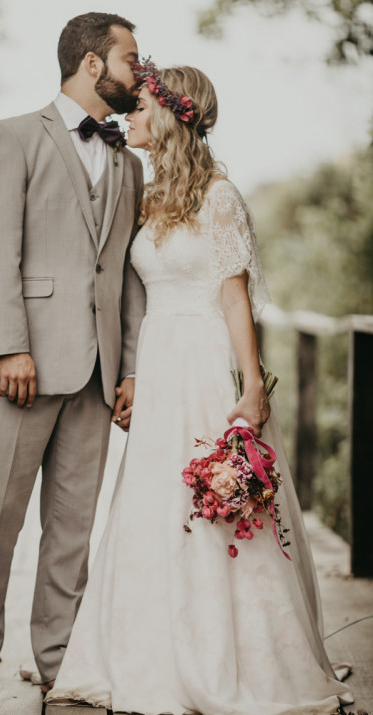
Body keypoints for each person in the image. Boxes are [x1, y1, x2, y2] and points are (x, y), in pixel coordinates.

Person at [47, 63, 354, 714]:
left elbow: (234, 295)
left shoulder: (218, 194)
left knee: (216, 504)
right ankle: (144, 650)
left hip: (205, 362)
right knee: (152, 502)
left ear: (171, 114)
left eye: (138, 108)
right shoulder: (151, 191)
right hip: (158, 364)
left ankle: (229, 656)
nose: (128, 116)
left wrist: (251, 387)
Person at [0, 13, 146, 702]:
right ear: (92, 63)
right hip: (15, 368)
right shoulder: (13, 136)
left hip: (95, 371)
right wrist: (11, 346)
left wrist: (131, 368)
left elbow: (126, 275)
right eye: (130, 60)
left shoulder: (128, 162)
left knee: (71, 526)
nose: (138, 73)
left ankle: (59, 655)